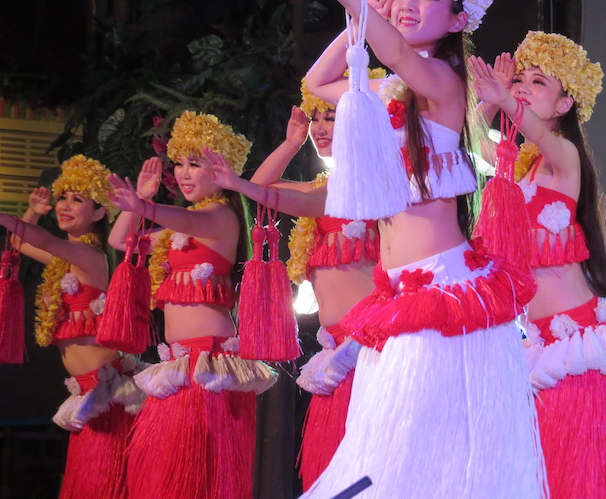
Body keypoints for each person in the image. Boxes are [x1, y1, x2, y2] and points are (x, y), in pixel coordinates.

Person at [284, 0, 546, 498]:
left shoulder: (445, 81)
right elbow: (319, 78)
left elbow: (399, 51)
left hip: (445, 293)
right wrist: (358, 12)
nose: (409, 3)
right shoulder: (385, 90)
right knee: (385, 444)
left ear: (458, 20)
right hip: (397, 293)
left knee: (420, 452)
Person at [470, 31, 606, 498]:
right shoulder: (515, 168)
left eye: (537, 82)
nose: (523, 87)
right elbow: (467, 143)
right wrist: (489, 100)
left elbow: (538, 132)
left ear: (565, 104)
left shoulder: (564, 158)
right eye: (519, 78)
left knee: (584, 480)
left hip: (579, 348)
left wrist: (507, 99)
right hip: (539, 346)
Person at [207, 83, 381, 490]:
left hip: (370, 348)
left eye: (331, 117)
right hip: (336, 350)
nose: (320, 127)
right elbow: (263, 188)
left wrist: (240, 185)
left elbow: (281, 198)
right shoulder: (322, 186)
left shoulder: (368, 184)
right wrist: (290, 143)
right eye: (315, 118)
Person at [106, 111, 276, 499]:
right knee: (167, 476)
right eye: (178, 163)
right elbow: (121, 240)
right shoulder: (184, 227)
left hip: (207, 366)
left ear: (219, 169)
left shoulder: (222, 216)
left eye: (194, 164)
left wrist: (146, 207)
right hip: (178, 364)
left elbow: (183, 219)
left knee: (197, 478)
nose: (182, 173)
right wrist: (141, 200)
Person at [0, 155, 143, 499]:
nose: (64, 205)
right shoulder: (69, 256)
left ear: (98, 213)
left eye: (77, 199)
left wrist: (6, 217)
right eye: (63, 197)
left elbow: (44, 242)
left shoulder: (89, 257)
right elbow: (22, 244)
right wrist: (33, 210)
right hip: (87, 392)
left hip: (106, 394)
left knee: (102, 486)